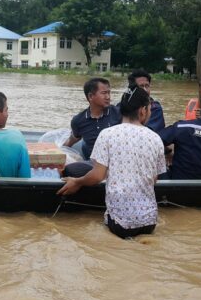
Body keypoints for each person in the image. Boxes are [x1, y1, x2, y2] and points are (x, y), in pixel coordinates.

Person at [58, 87, 167, 239]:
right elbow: (154, 179)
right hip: (149, 222)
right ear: (143, 110)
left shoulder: (107, 135)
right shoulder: (155, 138)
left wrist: (77, 181)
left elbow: (97, 176)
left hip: (119, 223)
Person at [63, 77, 121, 160]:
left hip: (116, 161)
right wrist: (59, 151)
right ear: (90, 96)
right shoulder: (78, 121)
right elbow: (72, 139)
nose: (108, 97)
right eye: (104, 93)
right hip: (94, 164)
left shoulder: (118, 113)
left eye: (109, 93)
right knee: (70, 170)